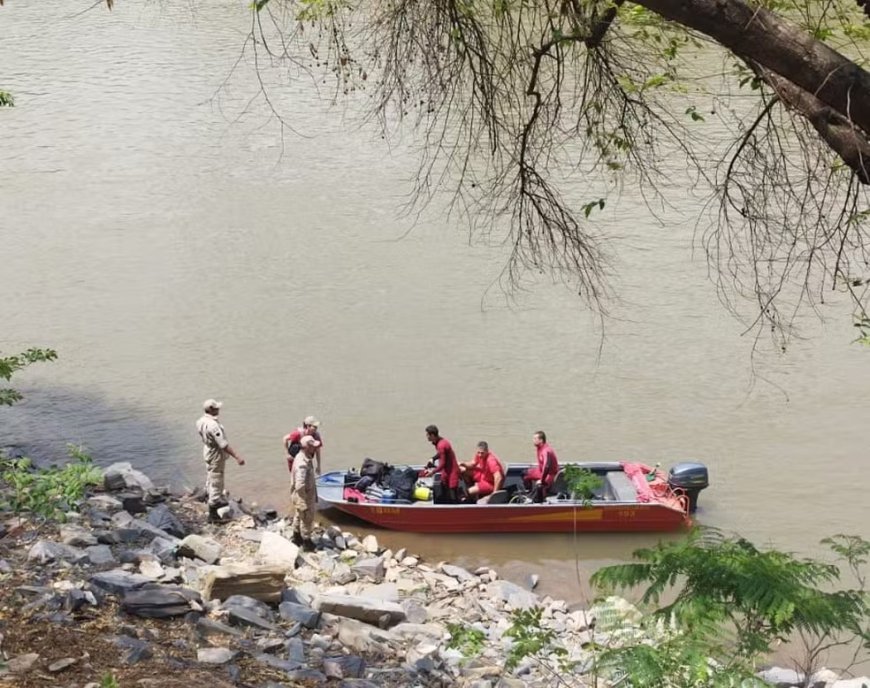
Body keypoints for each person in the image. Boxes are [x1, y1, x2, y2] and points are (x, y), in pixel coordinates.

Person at [195, 399, 246, 523]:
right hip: (216, 453)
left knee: (211, 475)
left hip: (207, 450)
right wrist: (237, 457)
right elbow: (223, 444)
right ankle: (213, 513)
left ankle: (211, 496)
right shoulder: (213, 425)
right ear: (212, 409)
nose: (219, 410)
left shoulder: (200, 421)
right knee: (217, 479)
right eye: (217, 408)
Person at [289, 435, 320, 551]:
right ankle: (307, 542)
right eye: (313, 447)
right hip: (304, 496)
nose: (315, 449)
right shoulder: (302, 463)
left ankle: (296, 537)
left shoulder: (303, 457)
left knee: (298, 515)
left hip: (300, 495)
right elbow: (299, 484)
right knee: (307, 518)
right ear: (307, 447)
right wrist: (303, 501)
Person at [424, 424, 460, 503]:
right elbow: (440, 454)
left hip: (452, 472)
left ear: (432, 435)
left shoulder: (441, 445)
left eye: (427, 435)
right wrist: (433, 458)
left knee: (453, 494)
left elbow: (442, 464)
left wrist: (432, 472)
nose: (427, 437)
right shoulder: (440, 441)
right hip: (446, 471)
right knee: (444, 489)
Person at [523, 430, 559, 502]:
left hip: (550, 474)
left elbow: (547, 466)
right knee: (524, 473)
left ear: (541, 440)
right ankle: (529, 491)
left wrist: (542, 481)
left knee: (539, 487)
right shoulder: (539, 448)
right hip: (541, 471)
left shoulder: (546, 451)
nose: (533, 440)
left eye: (535, 439)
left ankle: (538, 499)